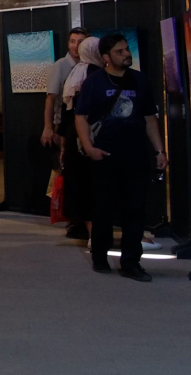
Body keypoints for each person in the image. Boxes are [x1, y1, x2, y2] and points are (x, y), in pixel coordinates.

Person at [75, 33, 167, 282]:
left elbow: (149, 118)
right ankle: (100, 256)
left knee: (135, 210)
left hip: (136, 156)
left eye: (127, 50)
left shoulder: (139, 81)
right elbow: (81, 117)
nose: (126, 54)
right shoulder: (94, 83)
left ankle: (131, 262)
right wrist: (89, 148)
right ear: (106, 58)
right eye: (119, 51)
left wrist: (159, 150)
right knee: (103, 209)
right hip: (104, 156)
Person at [44, 28, 88, 238]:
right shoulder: (61, 66)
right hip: (65, 127)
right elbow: (51, 99)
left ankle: (80, 218)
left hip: (81, 128)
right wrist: (48, 127)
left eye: (80, 41)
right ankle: (72, 219)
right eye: (72, 41)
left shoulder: (89, 67)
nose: (75, 45)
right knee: (65, 173)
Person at [58, 36, 103, 243]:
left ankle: (90, 229)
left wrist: (64, 143)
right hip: (96, 134)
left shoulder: (75, 75)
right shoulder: (99, 76)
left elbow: (66, 112)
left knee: (82, 184)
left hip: (74, 136)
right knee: (95, 183)